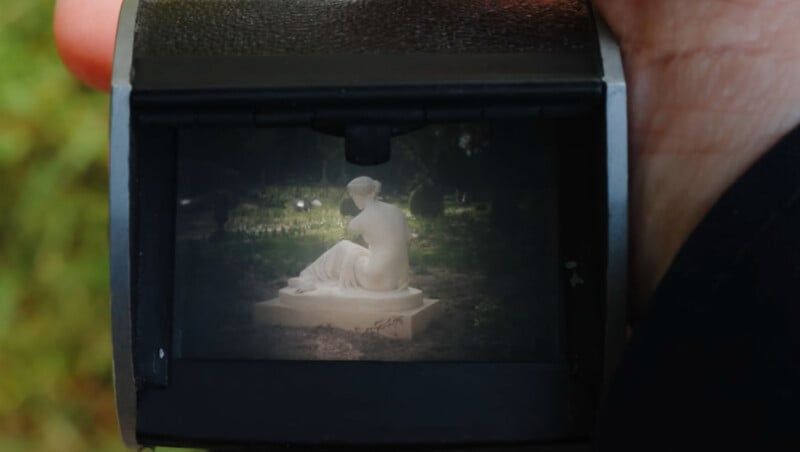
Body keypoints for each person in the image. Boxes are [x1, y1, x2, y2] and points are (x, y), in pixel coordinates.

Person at [55, 0, 800, 446]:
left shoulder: (372, 218)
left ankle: (302, 282)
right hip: (728, 308)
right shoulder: (389, 210)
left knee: (329, 260)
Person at [288, 176, 410, 292]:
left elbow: (352, 232)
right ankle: (310, 276)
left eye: (352, 196)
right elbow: (407, 239)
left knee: (343, 246)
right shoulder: (396, 211)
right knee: (355, 252)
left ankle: (307, 277)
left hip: (376, 279)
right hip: (397, 279)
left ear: (357, 195)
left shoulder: (359, 221)